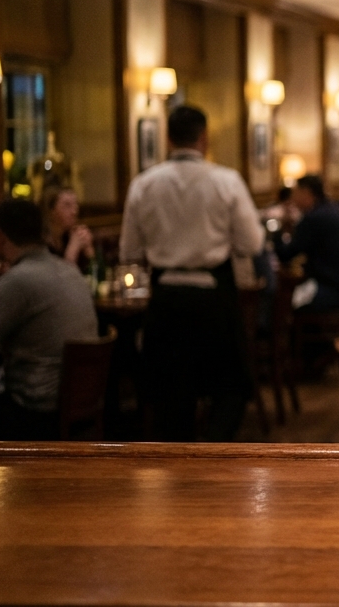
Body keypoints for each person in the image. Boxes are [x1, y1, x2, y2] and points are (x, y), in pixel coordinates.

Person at [120, 105, 264, 441]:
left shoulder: (143, 184)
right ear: (204, 138)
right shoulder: (226, 181)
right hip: (213, 297)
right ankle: (213, 450)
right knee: (230, 389)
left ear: (168, 138)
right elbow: (252, 243)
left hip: (166, 299)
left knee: (170, 396)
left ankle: (180, 462)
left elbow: (129, 252)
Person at [0, 199, 100, 440]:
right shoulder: (69, 270)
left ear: (1, 236)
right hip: (82, 403)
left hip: (36, 411)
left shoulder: (19, 280)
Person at [277, 174, 339, 313]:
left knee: (281, 300)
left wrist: (281, 228)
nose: (293, 198)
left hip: (330, 291)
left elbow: (285, 255)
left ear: (306, 193)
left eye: (296, 193)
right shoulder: (334, 210)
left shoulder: (313, 218)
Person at [41, 186, 94, 269]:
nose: (74, 212)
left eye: (75, 205)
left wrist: (88, 248)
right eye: (67, 206)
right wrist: (73, 247)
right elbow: (60, 275)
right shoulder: (41, 243)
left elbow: (94, 271)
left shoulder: (70, 236)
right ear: (51, 211)